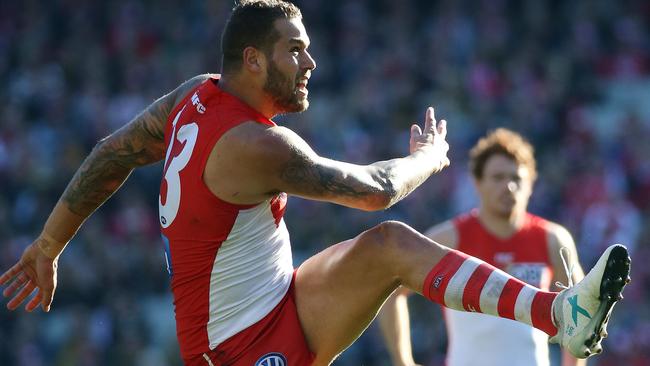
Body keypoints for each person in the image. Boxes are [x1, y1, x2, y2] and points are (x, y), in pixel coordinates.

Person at [0, 1, 630, 366]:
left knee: (389, 246)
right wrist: (431, 156)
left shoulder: (196, 98)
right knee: (384, 225)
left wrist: (50, 244)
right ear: (253, 60)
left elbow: (114, 152)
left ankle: (560, 314)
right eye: (295, 50)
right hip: (238, 351)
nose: (311, 63)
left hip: (276, 304)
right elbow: (374, 187)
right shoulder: (255, 144)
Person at [378, 128, 595, 366]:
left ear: (531, 184)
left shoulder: (554, 239)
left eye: (516, 178)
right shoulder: (450, 239)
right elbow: (392, 289)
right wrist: (403, 360)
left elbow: (581, 312)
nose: (509, 186)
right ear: (477, 183)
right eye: (498, 177)